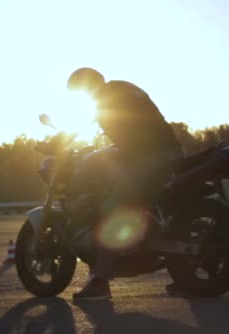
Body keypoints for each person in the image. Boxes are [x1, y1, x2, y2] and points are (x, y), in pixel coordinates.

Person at [67, 67, 184, 300]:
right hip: (170, 153)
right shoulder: (122, 88)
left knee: (114, 208)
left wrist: (56, 143)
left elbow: (79, 126)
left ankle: (100, 281)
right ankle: (183, 274)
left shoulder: (104, 98)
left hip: (151, 158)